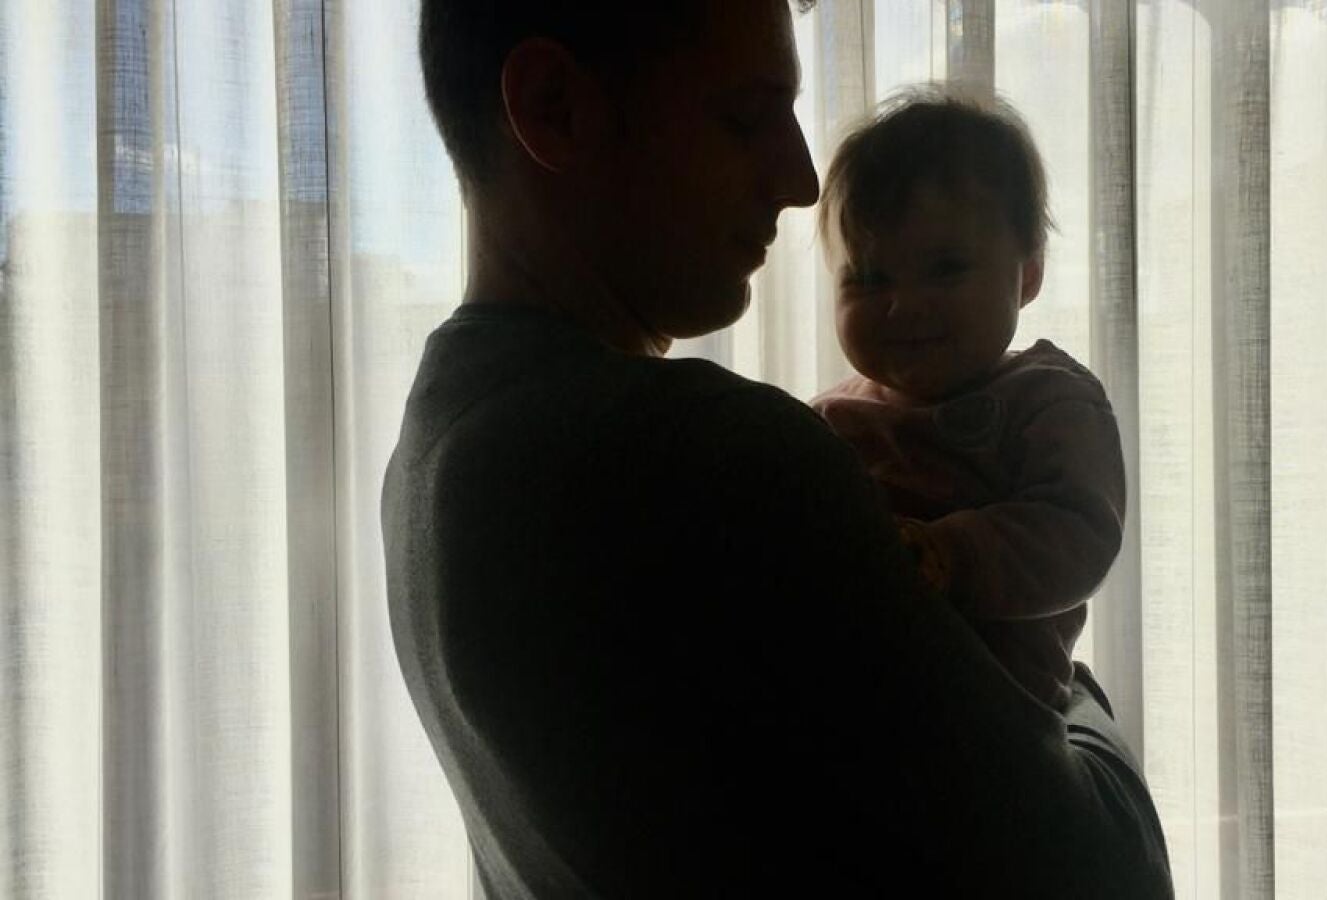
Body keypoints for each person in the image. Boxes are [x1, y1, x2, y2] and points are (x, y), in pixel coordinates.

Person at [382, 1, 1172, 896]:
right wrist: (1077, 698)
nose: (800, 180)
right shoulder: (719, 459)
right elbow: (1113, 875)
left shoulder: (430, 450)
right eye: (746, 118)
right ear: (554, 108)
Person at [810, 90, 1125, 715]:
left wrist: (953, 554)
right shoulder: (824, 422)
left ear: (1027, 274)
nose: (903, 305)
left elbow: (1080, 532)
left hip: (1000, 716)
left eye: (946, 269)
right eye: (869, 278)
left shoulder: (1050, 399)